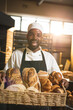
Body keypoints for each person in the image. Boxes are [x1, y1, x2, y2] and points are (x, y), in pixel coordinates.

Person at [4, 22, 69, 110]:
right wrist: (2, 75)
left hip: (43, 104)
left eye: (38, 35)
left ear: (41, 38)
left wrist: (63, 81)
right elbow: (6, 74)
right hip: (19, 103)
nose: (35, 38)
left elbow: (58, 77)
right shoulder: (17, 54)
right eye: (31, 34)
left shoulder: (48, 57)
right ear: (27, 36)